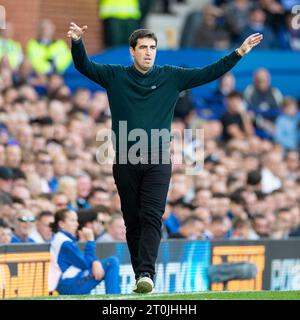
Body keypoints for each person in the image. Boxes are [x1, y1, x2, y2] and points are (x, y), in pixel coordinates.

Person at [68, 22, 262, 293]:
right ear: (132, 51)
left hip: (158, 158)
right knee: (132, 220)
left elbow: (208, 73)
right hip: (125, 159)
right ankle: (140, 276)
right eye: (143, 48)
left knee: (151, 216)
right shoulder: (115, 76)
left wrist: (239, 52)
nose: (149, 52)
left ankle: (147, 273)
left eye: (153, 48)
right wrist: (77, 42)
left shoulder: (171, 76)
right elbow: (84, 66)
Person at [48, 208, 120, 295]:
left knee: (109, 262)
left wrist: (95, 261)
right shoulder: (65, 242)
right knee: (112, 262)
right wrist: (90, 241)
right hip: (69, 284)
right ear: (61, 224)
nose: (77, 224)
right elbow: (85, 264)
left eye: (76, 220)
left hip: (66, 283)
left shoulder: (61, 238)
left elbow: (83, 261)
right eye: (72, 220)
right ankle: (114, 297)